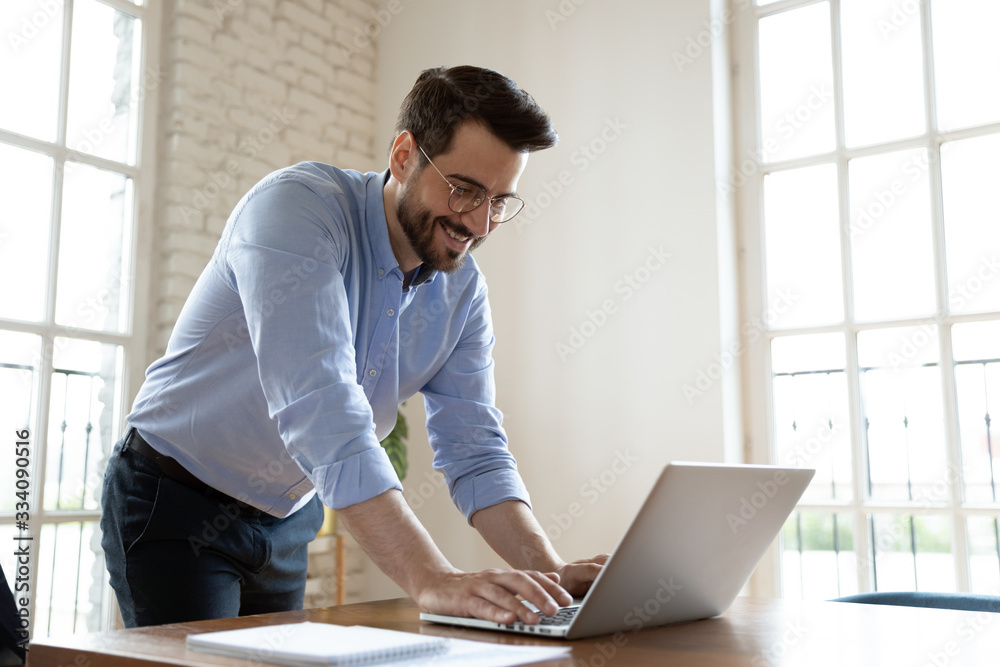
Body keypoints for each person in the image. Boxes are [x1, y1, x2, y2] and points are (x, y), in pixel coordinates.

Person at [101, 65, 606, 628]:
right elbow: (323, 409)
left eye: (499, 200)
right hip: (175, 498)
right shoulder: (297, 211)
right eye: (464, 190)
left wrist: (551, 573)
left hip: (287, 518)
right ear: (404, 155)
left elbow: (475, 448)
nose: (478, 222)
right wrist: (432, 579)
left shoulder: (462, 291)